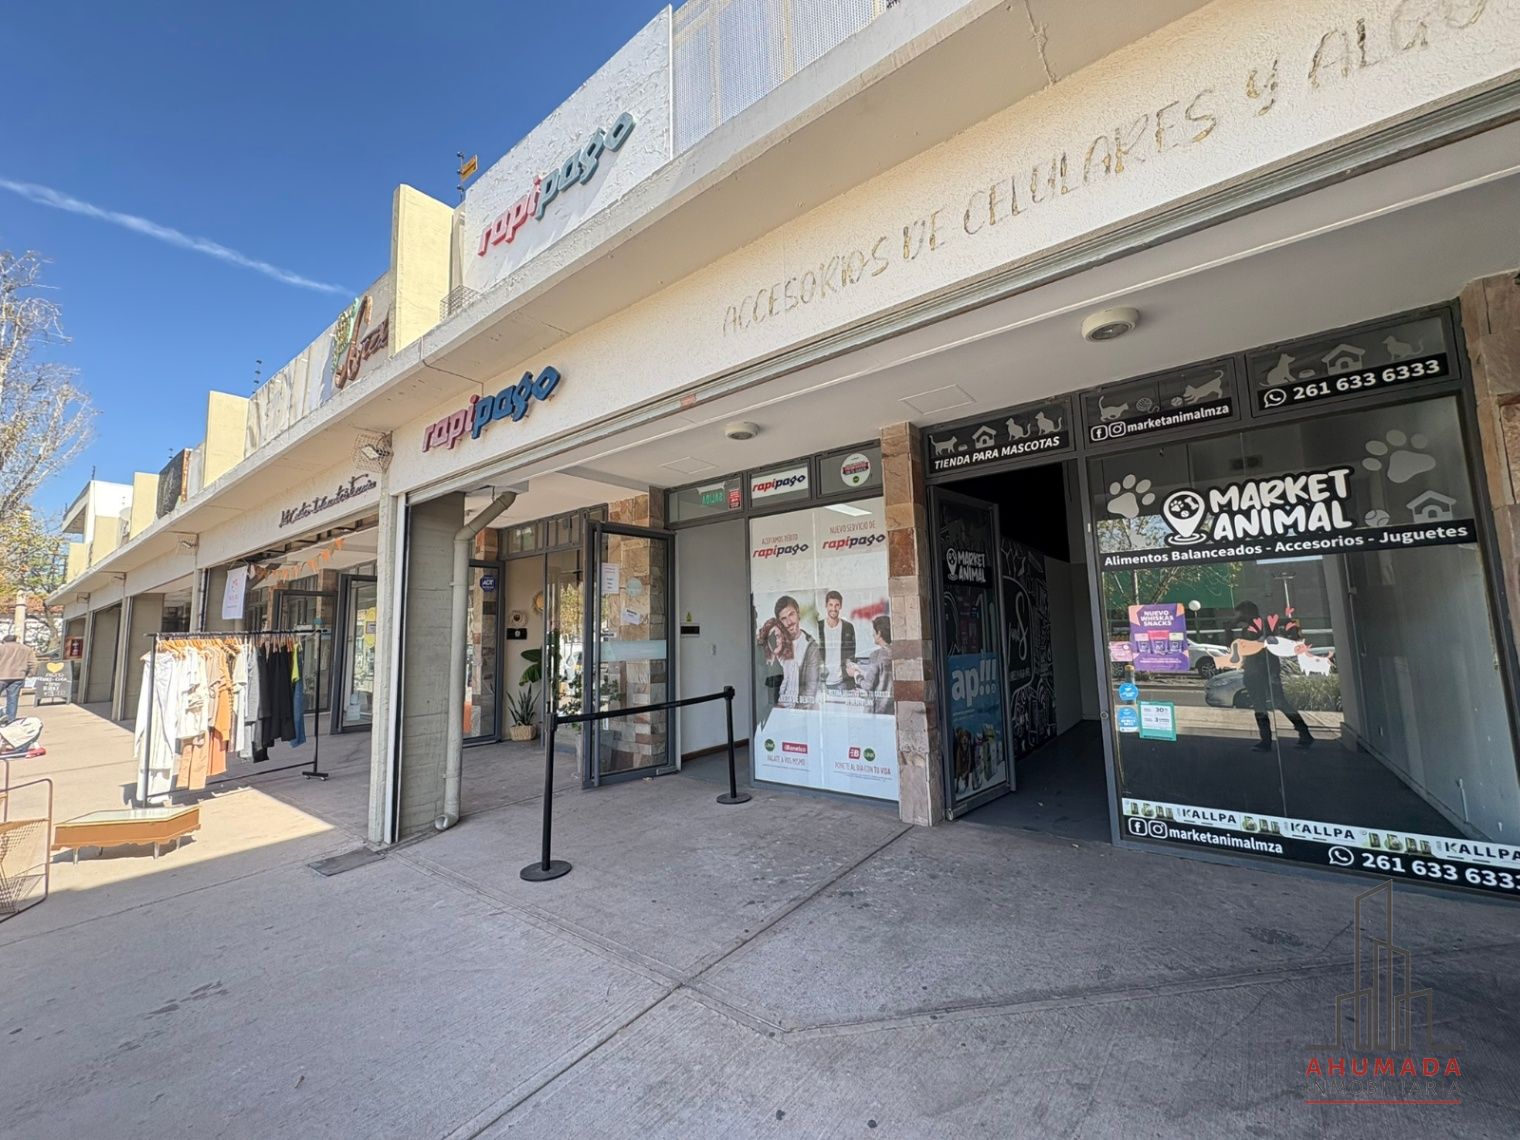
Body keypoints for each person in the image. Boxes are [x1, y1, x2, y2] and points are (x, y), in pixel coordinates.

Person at [1230, 601, 1313, 751]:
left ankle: (1295, 734)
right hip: (1257, 671)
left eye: (1239, 614)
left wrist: (1231, 627)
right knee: (1264, 705)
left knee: (1273, 703)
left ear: (1246, 613)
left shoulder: (1260, 628)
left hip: (1264, 671)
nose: (1236, 617)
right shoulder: (1254, 628)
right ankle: (1272, 739)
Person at [757, 595, 821, 710]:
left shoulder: (811, 647)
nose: (789, 622)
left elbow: (810, 692)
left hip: (799, 712)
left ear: (798, 614)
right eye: (783, 618)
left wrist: (790, 713)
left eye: (791, 614)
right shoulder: (777, 646)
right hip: (777, 710)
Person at [845, 615, 894, 714]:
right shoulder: (896, 653)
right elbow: (881, 676)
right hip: (892, 709)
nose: (872, 634)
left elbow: (868, 685)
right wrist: (860, 670)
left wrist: (855, 674)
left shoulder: (876, 655)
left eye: (873, 631)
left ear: (879, 633)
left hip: (877, 709)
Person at [817, 590, 857, 692]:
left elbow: (851, 654)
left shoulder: (848, 627)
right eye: (830, 605)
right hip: (822, 682)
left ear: (841, 606)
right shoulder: (818, 627)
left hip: (842, 682)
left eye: (837, 605)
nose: (834, 609)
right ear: (826, 605)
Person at [0, 635, 37, 725]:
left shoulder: (2, 648)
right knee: (13, 699)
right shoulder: (26, 649)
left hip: (1, 676)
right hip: (18, 676)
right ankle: (10, 720)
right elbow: (33, 663)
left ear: (4, 641)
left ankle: (2, 715)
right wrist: (31, 673)